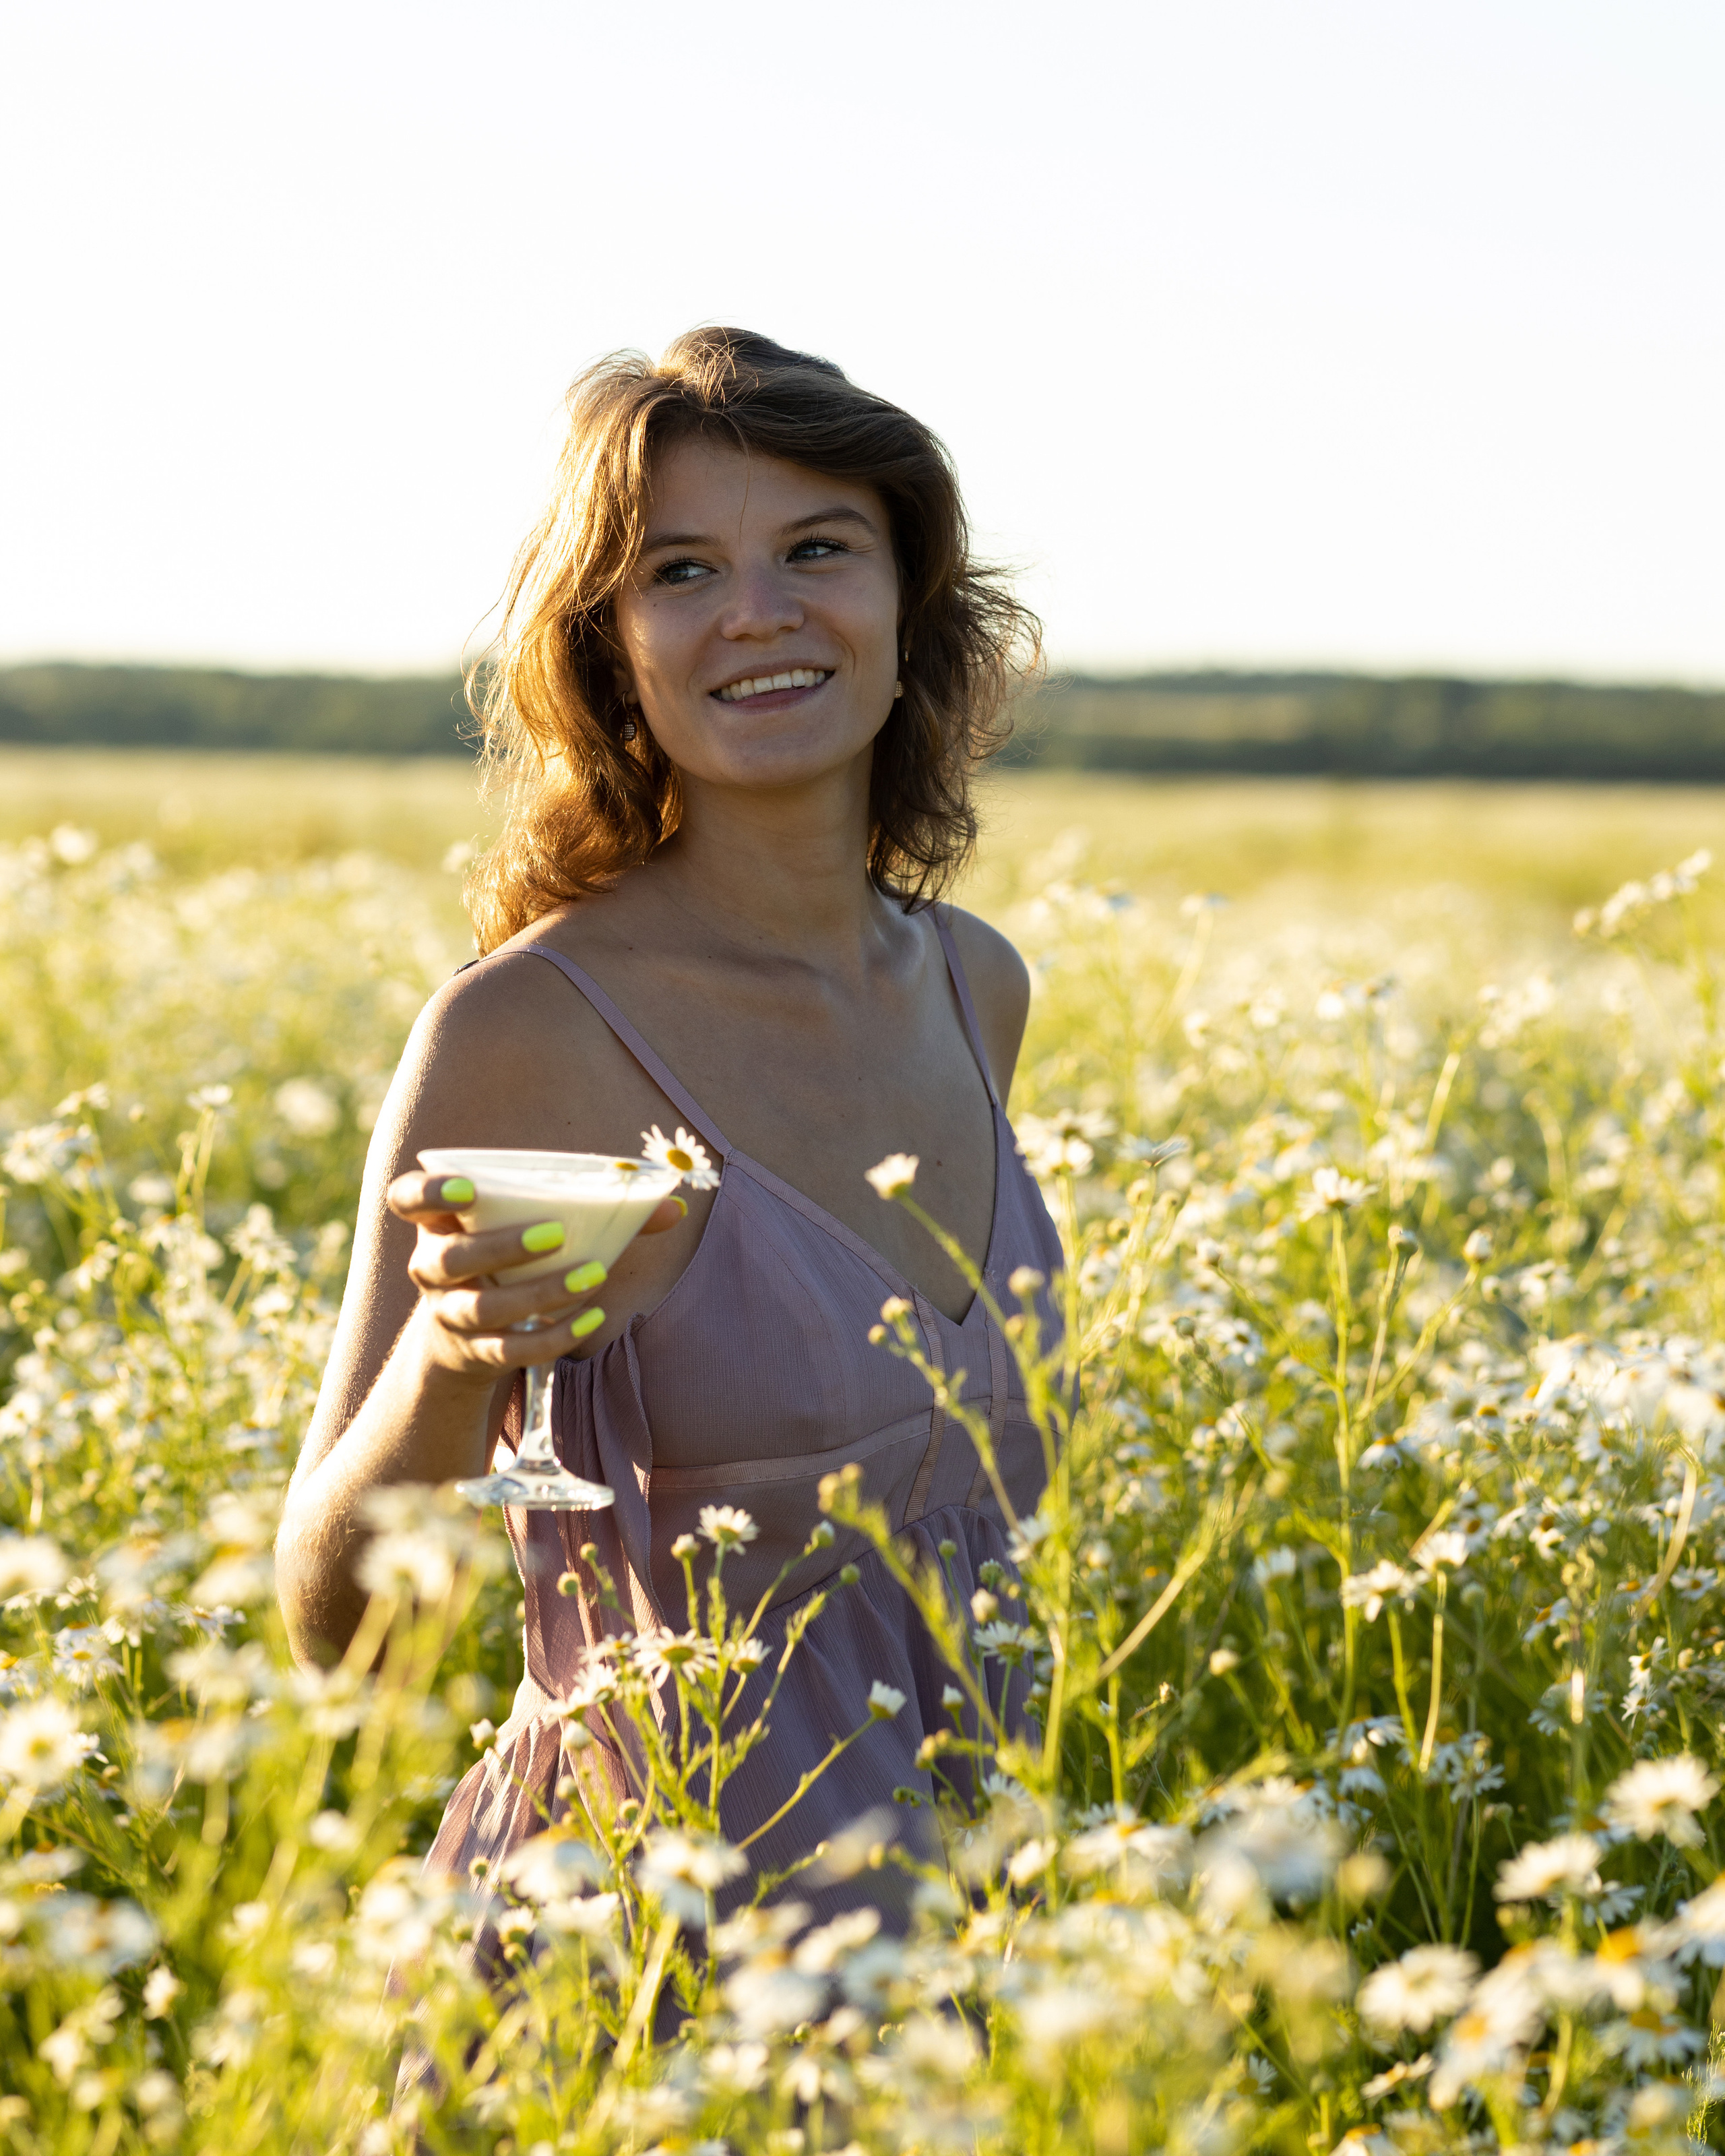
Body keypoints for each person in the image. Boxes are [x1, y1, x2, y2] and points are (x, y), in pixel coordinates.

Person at [275, 326, 1065, 1922]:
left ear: (907, 613)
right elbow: (337, 1625)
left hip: (960, 1965)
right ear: (614, 649)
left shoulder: (974, 987)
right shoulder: (525, 1030)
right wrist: (456, 1356)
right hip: (642, 1952)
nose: (756, 611)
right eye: (682, 570)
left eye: (815, 548)